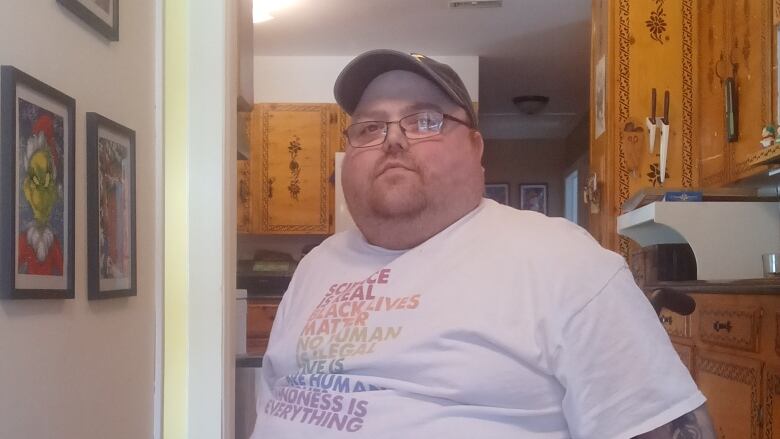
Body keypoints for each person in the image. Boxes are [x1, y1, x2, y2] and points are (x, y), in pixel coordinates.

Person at [250, 49, 714, 438]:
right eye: (370, 127)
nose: (392, 139)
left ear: (476, 148)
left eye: (424, 120)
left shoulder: (563, 262)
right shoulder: (315, 267)